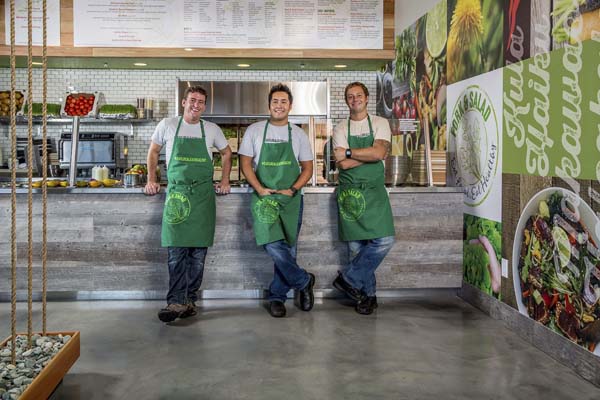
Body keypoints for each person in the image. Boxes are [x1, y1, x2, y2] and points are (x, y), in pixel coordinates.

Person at [145, 85, 232, 323]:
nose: (196, 105)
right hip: (177, 194)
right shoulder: (168, 125)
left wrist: (225, 180)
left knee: (197, 256)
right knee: (176, 252)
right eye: (192, 100)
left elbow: (227, 153)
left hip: (203, 196)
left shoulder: (211, 129)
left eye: (201, 102)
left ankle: (188, 301)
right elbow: (153, 152)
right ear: (184, 102)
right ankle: (176, 301)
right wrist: (151, 179)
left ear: (204, 106)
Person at [239, 83, 315, 318]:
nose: (279, 106)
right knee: (272, 243)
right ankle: (303, 281)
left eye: (283, 102)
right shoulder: (255, 130)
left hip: (291, 199)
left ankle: (277, 297)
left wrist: (293, 189)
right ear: (269, 105)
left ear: (290, 106)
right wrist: (260, 188)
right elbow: (245, 163)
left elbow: (308, 168)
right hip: (265, 198)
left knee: (289, 248)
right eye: (275, 102)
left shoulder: (298, 134)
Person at [332, 82, 395, 315]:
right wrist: (369, 154)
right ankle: (368, 297)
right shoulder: (340, 128)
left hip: (375, 192)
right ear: (346, 101)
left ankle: (348, 279)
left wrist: (351, 152)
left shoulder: (380, 122)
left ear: (367, 98)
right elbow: (343, 164)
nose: (355, 99)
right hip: (350, 194)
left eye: (358, 95)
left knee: (384, 240)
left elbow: (379, 152)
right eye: (350, 96)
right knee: (356, 249)